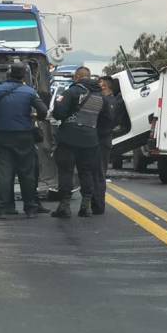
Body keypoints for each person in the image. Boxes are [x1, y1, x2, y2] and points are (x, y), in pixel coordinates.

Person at [0, 62, 48, 219]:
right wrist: (36, 117)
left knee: (6, 174)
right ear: (24, 75)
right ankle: (31, 208)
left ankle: (1, 208)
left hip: (4, 137)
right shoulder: (29, 91)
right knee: (27, 173)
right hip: (25, 137)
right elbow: (44, 111)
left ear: (8, 74)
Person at [51, 66, 107, 219]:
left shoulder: (71, 91)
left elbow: (58, 113)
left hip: (68, 139)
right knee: (86, 172)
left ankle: (64, 206)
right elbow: (107, 118)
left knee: (66, 172)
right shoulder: (100, 96)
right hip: (90, 140)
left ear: (76, 77)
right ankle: (85, 206)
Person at [94, 75, 121, 215]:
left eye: (99, 84)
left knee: (99, 173)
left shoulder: (109, 102)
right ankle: (95, 203)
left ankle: (98, 205)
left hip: (102, 139)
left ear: (105, 86)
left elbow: (111, 120)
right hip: (102, 139)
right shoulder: (109, 100)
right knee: (97, 172)